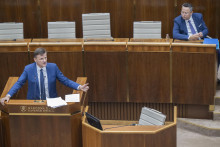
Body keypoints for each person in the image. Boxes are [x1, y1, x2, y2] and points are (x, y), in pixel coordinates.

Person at [0, 48, 89, 105]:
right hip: (33, 103)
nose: (44, 61)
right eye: (41, 59)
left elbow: (65, 80)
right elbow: (19, 83)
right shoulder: (28, 69)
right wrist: (8, 95)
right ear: (35, 59)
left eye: (45, 58)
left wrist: (79, 86)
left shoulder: (53, 67)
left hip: (51, 102)